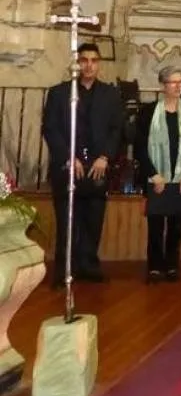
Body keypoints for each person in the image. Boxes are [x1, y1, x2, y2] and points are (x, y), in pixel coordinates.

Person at [42, 42, 123, 288]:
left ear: (99, 64)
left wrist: (105, 157)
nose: (88, 65)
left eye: (93, 61)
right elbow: (51, 129)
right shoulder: (58, 93)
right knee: (67, 220)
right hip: (68, 165)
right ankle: (65, 268)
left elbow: (116, 129)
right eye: (84, 60)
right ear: (76, 63)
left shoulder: (111, 94)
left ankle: (88, 264)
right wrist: (69, 156)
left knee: (93, 219)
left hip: (97, 166)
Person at [135, 66, 181, 283]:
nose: (178, 86)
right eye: (173, 82)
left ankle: (172, 265)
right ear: (163, 85)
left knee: (176, 224)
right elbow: (139, 147)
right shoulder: (148, 112)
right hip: (157, 178)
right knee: (156, 225)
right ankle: (155, 266)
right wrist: (153, 174)